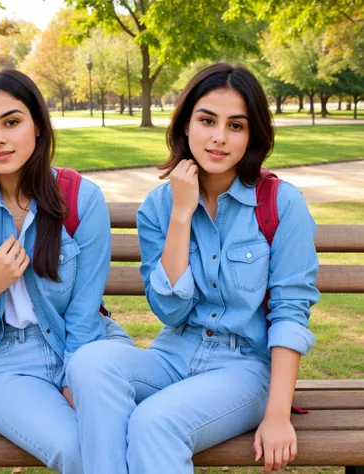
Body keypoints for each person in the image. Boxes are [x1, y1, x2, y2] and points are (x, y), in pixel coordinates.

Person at [66, 62, 320, 474]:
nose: (219, 137)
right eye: (207, 120)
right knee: (90, 362)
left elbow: (291, 312)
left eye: (236, 126)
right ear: (186, 125)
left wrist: (277, 415)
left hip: (244, 368)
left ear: (251, 134)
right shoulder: (159, 207)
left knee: (154, 423)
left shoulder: (282, 204)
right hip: (172, 354)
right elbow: (169, 311)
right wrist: (182, 215)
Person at [0, 69, 132, 474]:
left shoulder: (81, 198)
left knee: (131, 435)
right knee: (77, 449)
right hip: (10, 361)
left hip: (89, 347)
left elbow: (86, 306)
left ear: (37, 126)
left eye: (11, 122)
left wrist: (76, 376)